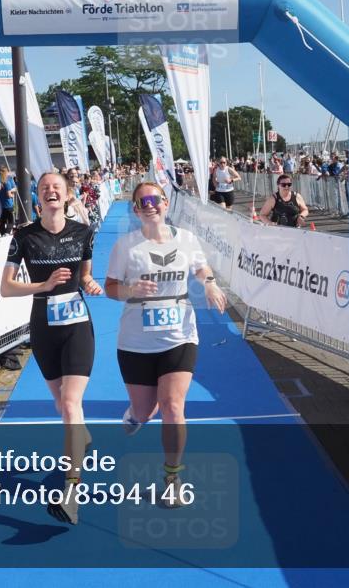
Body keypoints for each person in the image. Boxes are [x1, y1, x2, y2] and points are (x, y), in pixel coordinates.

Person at [104, 182, 227, 507]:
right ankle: (135, 413)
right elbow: (110, 288)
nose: (151, 205)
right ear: (135, 209)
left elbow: (202, 268)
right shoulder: (125, 247)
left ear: (166, 204)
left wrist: (211, 285)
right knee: (146, 410)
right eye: (143, 201)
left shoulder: (186, 240)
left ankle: (172, 479)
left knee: (173, 405)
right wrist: (130, 290)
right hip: (136, 342)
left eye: (156, 199)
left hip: (180, 335)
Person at [0, 172, 103, 524]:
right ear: (38, 198)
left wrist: (90, 284)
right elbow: (6, 288)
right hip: (43, 327)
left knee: (72, 403)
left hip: (76, 326)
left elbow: (85, 274)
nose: (51, 191)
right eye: (45, 188)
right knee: (62, 405)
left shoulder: (83, 233)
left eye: (57, 187)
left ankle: (71, 493)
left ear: (67, 194)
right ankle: (82, 434)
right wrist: (42, 285)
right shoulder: (24, 236)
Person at [0, 166, 17, 235]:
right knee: (11, 221)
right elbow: (8, 195)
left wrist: (12, 190)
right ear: (6, 172)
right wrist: (13, 195)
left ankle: (3, 234)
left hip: (1, 205)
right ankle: (7, 232)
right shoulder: (7, 183)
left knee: (2, 221)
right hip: (8, 205)